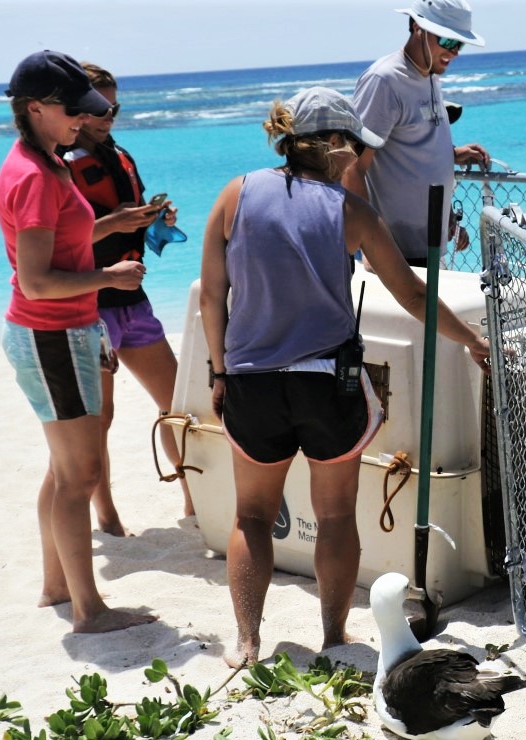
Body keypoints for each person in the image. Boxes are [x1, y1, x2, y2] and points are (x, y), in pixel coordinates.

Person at [200, 86, 490, 666]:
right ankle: (334, 637)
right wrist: (473, 341)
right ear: (333, 144)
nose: (362, 156)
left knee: (252, 516)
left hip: (252, 382)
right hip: (326, 384)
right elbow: (410, 293)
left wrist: (219, 369)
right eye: (357, 145)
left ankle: (248, 642)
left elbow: (213, 293)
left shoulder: (235, 194)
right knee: (334, 517)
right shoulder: (351, 211)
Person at [0, 50, 156, 634]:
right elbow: (37, 281)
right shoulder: (36, 176)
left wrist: (113, 225)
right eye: (73, 111)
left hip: (60, 333)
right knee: (79, 475)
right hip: (52, 335)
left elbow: (65, 236)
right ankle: (89, 610)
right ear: (34, 108)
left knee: (64, 471)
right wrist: (108, 279)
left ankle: (56, 587)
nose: (81, 121)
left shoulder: (43, 161)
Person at [63, 62, 194, 535]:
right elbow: (57, 245)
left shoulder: (120, 155)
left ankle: (193, 498)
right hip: (89, 306)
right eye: (99, 107)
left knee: (178, 404)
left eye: (114, 106)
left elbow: (124, 222)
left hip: (133, 302)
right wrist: (116, 222)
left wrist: (152, 219)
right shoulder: (60, 165)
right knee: (101, 418)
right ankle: (108, 515)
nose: (109, 115)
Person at [344, 0, 489, 267]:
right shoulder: (384, 80)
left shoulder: (431, 75)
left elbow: (410, 139)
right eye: (447, 40)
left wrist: (453, 154)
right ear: (416, 27)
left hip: (430, 246)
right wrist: (372, 245)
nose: (454, 51)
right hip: (394, 254)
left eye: (460, 43)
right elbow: (352, 168)